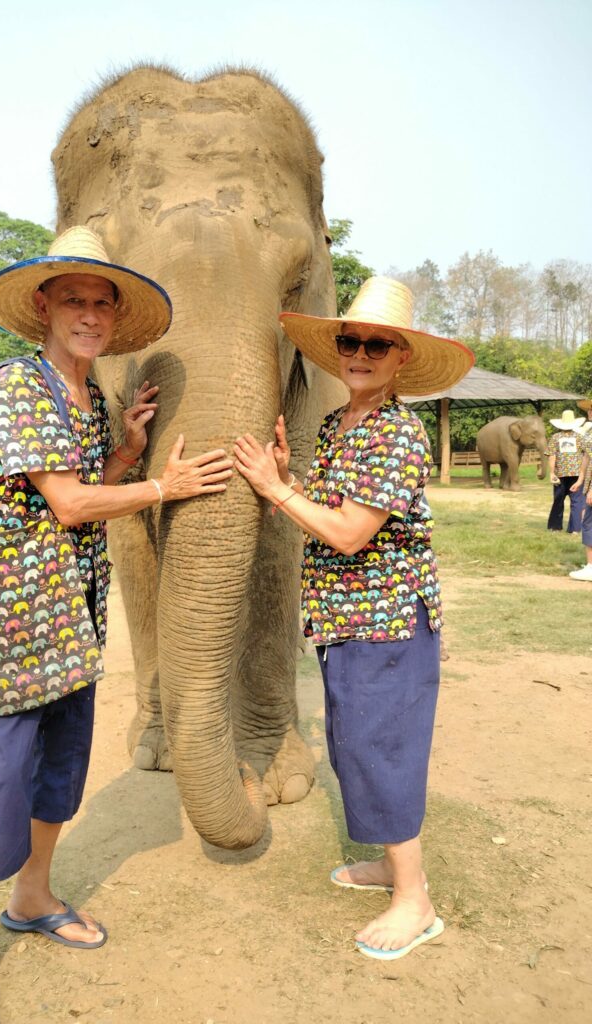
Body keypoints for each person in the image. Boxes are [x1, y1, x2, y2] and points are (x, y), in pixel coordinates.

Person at [0, 225, 233, 1024]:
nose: (90, 315)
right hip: (10, 632)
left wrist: (127, 453)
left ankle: (32, 895)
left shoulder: (89, 398)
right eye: (75, 300)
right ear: (43, 306)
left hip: (72, 624)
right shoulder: (18, 389)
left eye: (102, 303)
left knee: (56, 778)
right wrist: (164, 488)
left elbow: (81, 488)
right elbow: (67, 505)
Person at [233, 276, 473, 961]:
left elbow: (347, 534)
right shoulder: (342, 424)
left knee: (385, 753)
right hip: (345, 622)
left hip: (388, 625)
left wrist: (277, 491)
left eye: (377, 344)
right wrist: (293, 477)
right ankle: (389, 868)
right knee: (356, 748)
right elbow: (336, 507)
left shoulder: (397, 433)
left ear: (401, 359)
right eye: (351, 340)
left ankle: (416, 900)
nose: (360, 352)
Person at [546, 408, 586, 533]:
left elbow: (552, 456)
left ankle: (555, 527)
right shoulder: (580, 437)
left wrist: (552, 473)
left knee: (558, 500)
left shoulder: (555, 437)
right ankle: (575, 529)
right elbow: (586, 456)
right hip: (577, 475)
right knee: (577, 502)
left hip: (560, 474)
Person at [569, 398, 592, 581]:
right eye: (589, 410)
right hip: (588, 484)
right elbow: (586, 457)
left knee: (588, 524)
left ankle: (591, 567)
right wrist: (581, 478)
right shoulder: (589, 434)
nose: (589, 413)